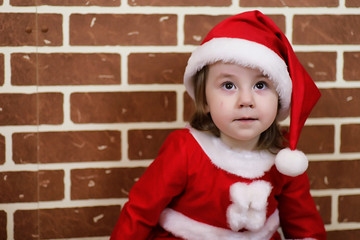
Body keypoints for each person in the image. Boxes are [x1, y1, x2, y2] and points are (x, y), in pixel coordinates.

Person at [110, 10, 326, 239]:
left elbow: (304, 225)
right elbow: (140, 212)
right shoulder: (184, 150)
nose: (246, 101)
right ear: (204, 101)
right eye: (229, 85)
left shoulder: (285, 159)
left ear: (280, 97)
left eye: (261, 85)